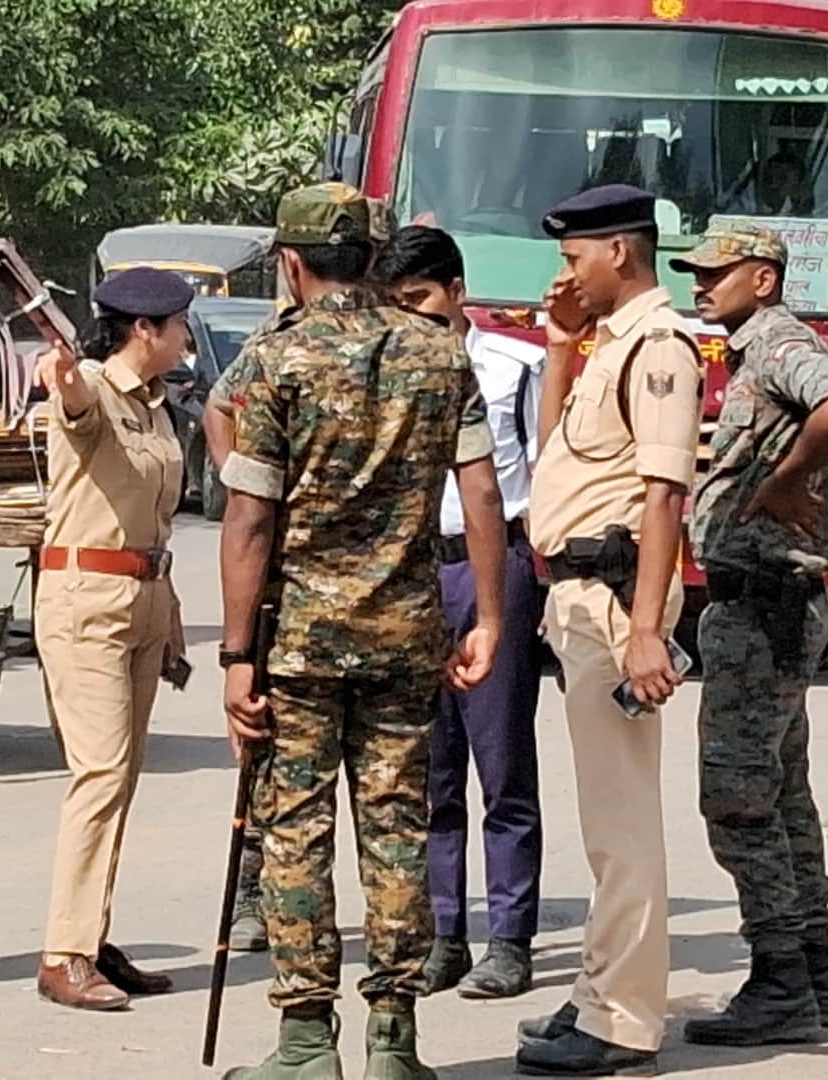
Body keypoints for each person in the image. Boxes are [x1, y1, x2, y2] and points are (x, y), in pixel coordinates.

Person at [218, 182, 506, 1080]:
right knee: (396, 830)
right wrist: (490, 613)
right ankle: (394, 1042)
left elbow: (248, 521)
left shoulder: (277, 360)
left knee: (295, 830)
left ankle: (306, 1043)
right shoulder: (441, 356)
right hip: (405, 638)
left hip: (298, 645)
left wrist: (234, 654)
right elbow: (484, 492)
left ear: (292, 264)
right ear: (378, 262)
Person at [512, 184, 703, 1077]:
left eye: (574, 257)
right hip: (578, 598)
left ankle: (623, 1019)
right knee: (601, 822)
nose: (566, 274)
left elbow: (665, 495)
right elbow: (560, 457)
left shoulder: (661, 348)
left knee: (622, 825)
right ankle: (599, 991)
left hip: (616, 603)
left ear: (619, 252)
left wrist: (648, 632)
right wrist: (559, 349)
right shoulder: (607, 345)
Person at [669, 225, 828, 1046]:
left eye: (716, 273)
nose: (701, 285)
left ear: (763, 277)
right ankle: (813, 972)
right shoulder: (754, 352)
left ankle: (781, 979)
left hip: (763, 607)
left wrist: (785, 483)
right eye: (696, 273)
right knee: (783, 796)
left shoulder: (780, 342)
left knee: (738, 799)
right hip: (767, 604)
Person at [370, 226, 548, 1002]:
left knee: (500, 762)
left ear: (457, 291)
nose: (410, 320)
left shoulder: (516, 367)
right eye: (396, 306)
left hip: (493, 570)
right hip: (411, 573)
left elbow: (545, 474)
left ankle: (509, 939)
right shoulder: (383, 369)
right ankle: (444, 932)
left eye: (420, 303)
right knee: (427, 768)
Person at [32, 266, 193, 1012]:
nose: (188, 336)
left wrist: (172, 615)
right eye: (179, 324)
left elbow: (153, 519)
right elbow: (73, 407)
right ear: (144, 331)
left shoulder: (158, 407)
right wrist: (63, 377)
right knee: (97, 777)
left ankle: (91, 934)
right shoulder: (93, 387)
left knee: (119, 780)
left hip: (141, 596)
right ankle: (63, 953)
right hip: (86, 601)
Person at [200, 299, 300, 957]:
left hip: (379, 590)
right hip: (281, 578)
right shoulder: (279, 339)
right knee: (264, 748)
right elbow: (218, 403)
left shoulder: (407, 339)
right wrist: (243, 479)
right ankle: (253, 897)